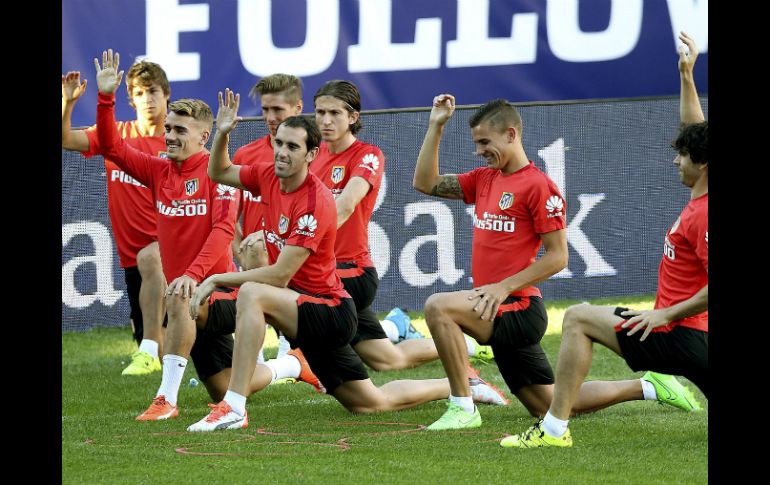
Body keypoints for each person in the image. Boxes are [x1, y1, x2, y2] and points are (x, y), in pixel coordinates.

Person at [184, 90, 506, 431]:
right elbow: (218, 172)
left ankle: (234, 406)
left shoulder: (316, 199)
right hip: (304, 307)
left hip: (328, 311)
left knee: (253, 292)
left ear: (311, 154)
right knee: (371, 402)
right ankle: (462, 384)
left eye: (292, 147)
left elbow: (279, 275)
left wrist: (218, 279)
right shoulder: (267, 175)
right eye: (278, 143)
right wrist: (222, 133)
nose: (281, 152)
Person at [413, 94, 701, 432]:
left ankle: (463, 406)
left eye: (484, 142)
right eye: (476, 143)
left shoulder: (539, 186)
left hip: (517, 306)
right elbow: (425, 183)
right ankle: (649, 386)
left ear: (511, 134)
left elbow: (558, 256)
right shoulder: (484, 179)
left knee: (438, 307)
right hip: (493, 303)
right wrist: (436, 125)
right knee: (549, 405)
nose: (479, 151)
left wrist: (503, 287)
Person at [501, 31, 707, 448]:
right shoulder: (700, 190)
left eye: (682, 156)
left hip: (678, 334)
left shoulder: (704, 213)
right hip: (690, 335)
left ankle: (554, 430)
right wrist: (687, 77)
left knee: (577, 317)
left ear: (701, 164)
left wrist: (665, 316)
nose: (675, 160)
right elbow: (695, 132)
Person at [91, 50, 241, 420]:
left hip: (222, 293)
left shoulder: (220, 173)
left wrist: (193, 276)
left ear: (205, 136)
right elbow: (111, 146)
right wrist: (106, 98)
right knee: (230, 385)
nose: (169, 136)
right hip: (189, 301)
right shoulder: (160, 171)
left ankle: (166, 400)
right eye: (168, 129)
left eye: (179, 131)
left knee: (177, 293)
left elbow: (223, 231)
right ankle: (293, 366)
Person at [62, 60, 169, 376]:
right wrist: (67, 103)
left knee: (162, 339)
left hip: (172, 254)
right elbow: (66, 139)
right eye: (139, 93)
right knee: (158, 348)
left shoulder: (178, 143)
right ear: (131, 99)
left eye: (153, 92)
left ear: (167, 96)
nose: (147, 99)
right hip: (133, 261)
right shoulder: (115, 136)